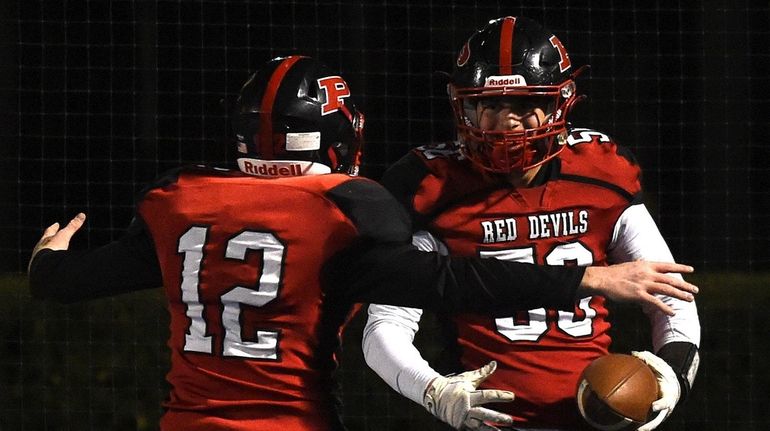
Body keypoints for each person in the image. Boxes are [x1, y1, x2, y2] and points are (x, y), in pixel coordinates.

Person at [28, 56, 697, 431]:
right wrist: (583, 280)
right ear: (342, 137)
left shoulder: (178, 198)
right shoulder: (346, 210)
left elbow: (69, 280)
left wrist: (47, 263)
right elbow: (452, 285)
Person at [362, 17, 701, 431]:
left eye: (524, 104)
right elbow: (385, 325)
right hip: (486, 422)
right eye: (488, 105)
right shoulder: (431, 184)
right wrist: (434, 390)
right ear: (462, 105)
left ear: (561, 102)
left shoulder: (601, 172)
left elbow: (671, 293)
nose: (507, 123)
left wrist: (672, 372)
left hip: (592, 416)